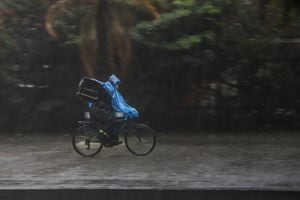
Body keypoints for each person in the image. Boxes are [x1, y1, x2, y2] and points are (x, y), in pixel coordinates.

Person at [89, 74, 139, 146]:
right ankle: (102, 135)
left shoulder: (109, 89)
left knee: (119, 117)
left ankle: (113, 138)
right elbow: (116, 104)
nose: (117, 86)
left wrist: (125, 107)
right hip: (99, 111)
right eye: (116, 84)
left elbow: (117, 103)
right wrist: (127, 111)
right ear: (113, 82)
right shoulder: (109, 90)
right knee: (113, 118)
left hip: (101, 110)